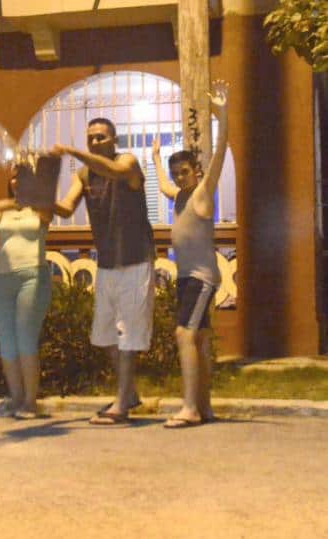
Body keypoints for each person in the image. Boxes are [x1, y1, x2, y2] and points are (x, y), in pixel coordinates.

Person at [51, 118, 154, 425]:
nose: (94, 142)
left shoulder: (128, 161)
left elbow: (116, 172)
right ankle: (129, 393)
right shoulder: (84, 175)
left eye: (100, 137)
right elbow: (67, 208)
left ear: (113, 139)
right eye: (90, 138)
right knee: (105, 334)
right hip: (107, 262)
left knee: (127, 334)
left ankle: (121, 405)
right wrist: (40, 199)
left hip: (135, 259)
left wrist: (72, 151)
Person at [152, 80, 229, 428]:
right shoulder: (179, 196)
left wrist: (222, 116)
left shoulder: (201, 193)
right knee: (199, 338)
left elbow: (219, 155)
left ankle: (190, 408)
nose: (179, 178)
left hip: (201, 279)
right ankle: (206, 407)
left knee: (184, 334)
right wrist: (154, 159)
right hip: (187, 279)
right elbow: (165, 187)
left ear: (195, 171)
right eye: (175, 173)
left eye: (185, 172)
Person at [0, 161, 53, 419]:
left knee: (26, 338)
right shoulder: (5, 210)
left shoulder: (39, 208)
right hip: (3, 279)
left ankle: (30, 401)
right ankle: (16, 398)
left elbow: (48, 215)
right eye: (15, 177)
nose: (18, 181)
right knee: (7, 342)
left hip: (32, 276)